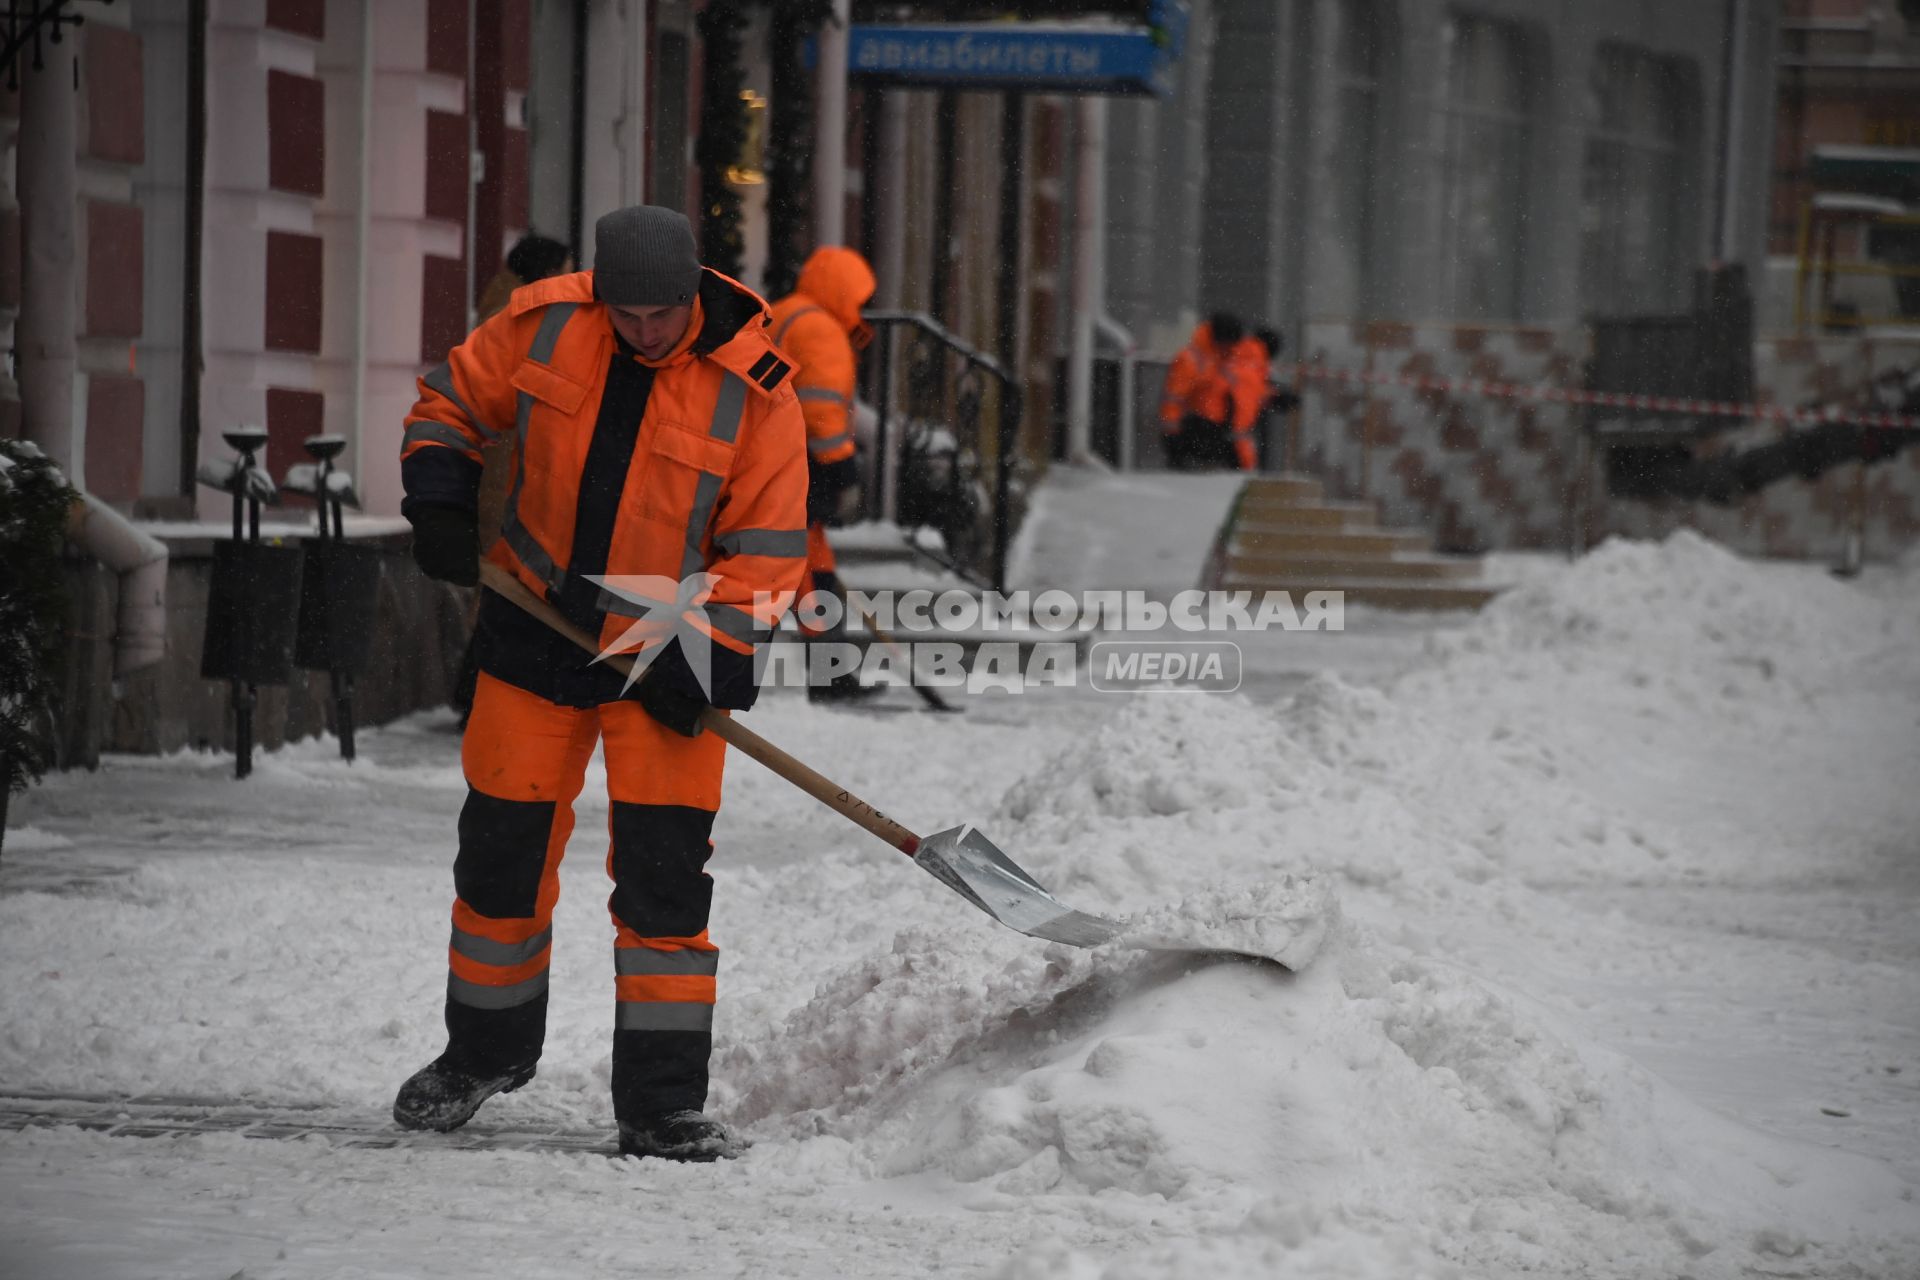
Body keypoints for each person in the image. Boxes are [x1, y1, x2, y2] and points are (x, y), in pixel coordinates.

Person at [394, 205, 809, 1162]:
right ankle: (482, 1054)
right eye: (626, 312)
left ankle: (660, 1106)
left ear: (693, 291)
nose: (644, 330)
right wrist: (442, 499)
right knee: (500, 856)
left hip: (664, 659)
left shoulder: (755, 390)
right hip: (532, 633)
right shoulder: (545, 324)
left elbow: (766, 552)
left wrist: (701, 661)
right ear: (600, 292)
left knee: (664, 882)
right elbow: (449, 401)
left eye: (661, 313)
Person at [453, 232, 578, 724]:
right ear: (547, 273)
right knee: (506, 581)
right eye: (567, 267)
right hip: (507, 471)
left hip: (500, 468)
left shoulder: (507, 309)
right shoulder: (523, 319)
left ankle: (474, 689)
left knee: (504, 582)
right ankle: (476, 691)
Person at [767, 245, 880, 703]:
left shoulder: (786, 313)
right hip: (795, 464)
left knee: (814, 565)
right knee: (802, 573)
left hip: (775, 459)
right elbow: (820, 409)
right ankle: (830, 674)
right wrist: (844, 471)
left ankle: (832, 671)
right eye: (861, 297)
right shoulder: (820, 329)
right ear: (844, 291)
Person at [1159, 312, 1266, 471]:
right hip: (1197, 433)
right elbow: (1173, 400)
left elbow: (1241, 389)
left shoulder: (1221, 359)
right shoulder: (1192, 360)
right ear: (1220, 340)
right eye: (1229, 345)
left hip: (1217, 436)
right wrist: (1172, 434)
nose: (1232, 349)